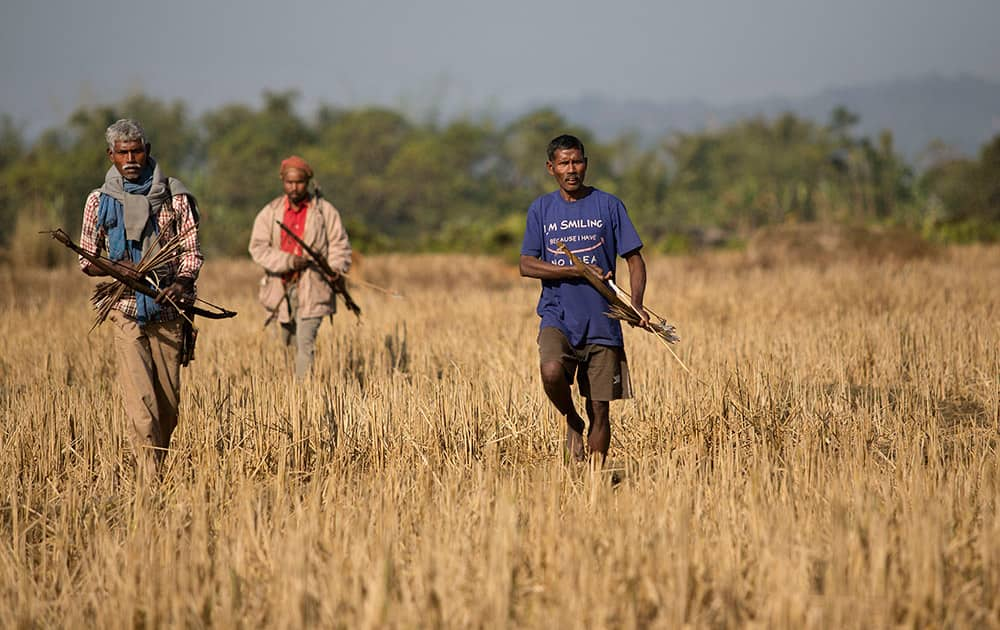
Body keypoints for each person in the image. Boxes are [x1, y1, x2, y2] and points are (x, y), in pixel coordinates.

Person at [78, 118, 203, 478]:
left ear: (147, 151)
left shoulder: (175, 196)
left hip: (169, 309)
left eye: (136, 151)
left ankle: (158, 460)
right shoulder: (98, 201)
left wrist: (181, 283)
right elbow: (86, 258)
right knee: (142, 401)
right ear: (111, 156)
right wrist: (115, 268)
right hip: (125, 309)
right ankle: (151, 476)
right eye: (123, 153)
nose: (130, 158)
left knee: (168, 404)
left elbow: (192, 251)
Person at [519, 134, 650, 465]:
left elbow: (634, 259)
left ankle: (593, 484)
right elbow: (526, 264)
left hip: (603, 319)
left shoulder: (609, 205)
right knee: (551, 371)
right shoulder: (542, 209)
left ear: (586, 164)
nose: (571, 169)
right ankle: (571, 419)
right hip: (558, 315)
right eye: (564, 163)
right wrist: (576, 272)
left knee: (600, 410)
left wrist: (635, 303)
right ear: (551, 168)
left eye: (577, 161)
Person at [249, 156, 353, 378]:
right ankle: (290, 394)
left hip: (314, 287)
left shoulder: (325, 212)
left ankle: (302, 394)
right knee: (287, 344)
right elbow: (258, 248)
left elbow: (340, 244)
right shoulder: (271, 212)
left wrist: (334, 269)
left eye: (299, 182)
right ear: (282, 181)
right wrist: (289, 261)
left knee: (306, 344)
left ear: (308, 182)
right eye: (289, 182)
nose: (294, 187)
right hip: (280, 288)